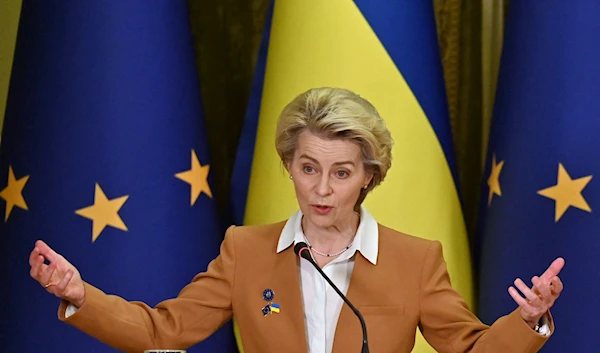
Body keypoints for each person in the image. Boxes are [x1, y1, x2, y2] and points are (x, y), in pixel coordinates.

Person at [29, 87, 564, 353]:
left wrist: (528, 321)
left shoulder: (415, 260)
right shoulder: (245, 250)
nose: (323, 189)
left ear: (369, 177)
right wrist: (79, 294)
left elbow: (471, 350)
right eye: (308, 168)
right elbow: (161, 329)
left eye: (342, 172)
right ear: (288, 166)